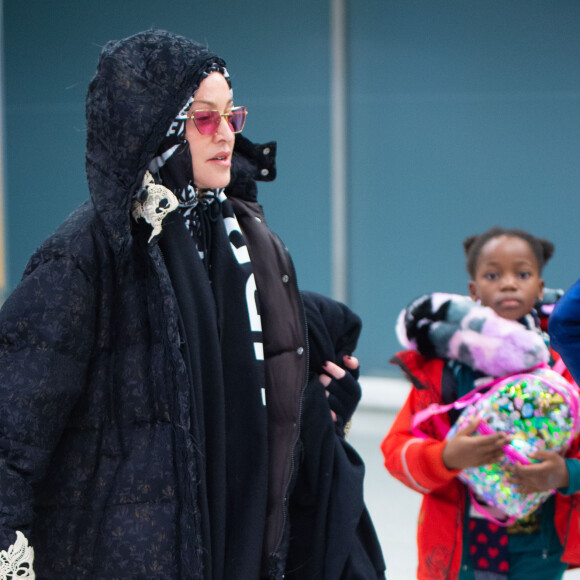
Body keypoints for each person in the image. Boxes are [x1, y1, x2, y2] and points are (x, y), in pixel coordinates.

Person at [0, 29, 385, 579]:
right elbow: (12, 432)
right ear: (151, 126)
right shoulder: (86, 255)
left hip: (240, 552)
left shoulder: (244, 238)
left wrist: (316, 411)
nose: (225, 134)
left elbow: (256, 386)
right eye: (204, 118)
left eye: (232, 115)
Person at [381, 226, 580, 579]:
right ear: (473, 291)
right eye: (492, 274)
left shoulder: (562, 369)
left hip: (539, 549)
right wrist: (446, 457)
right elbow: (396, 452)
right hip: (459, 551)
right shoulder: (441, 369)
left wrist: (566, 473)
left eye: (522, 273)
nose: (508, 283)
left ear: (539, 286)